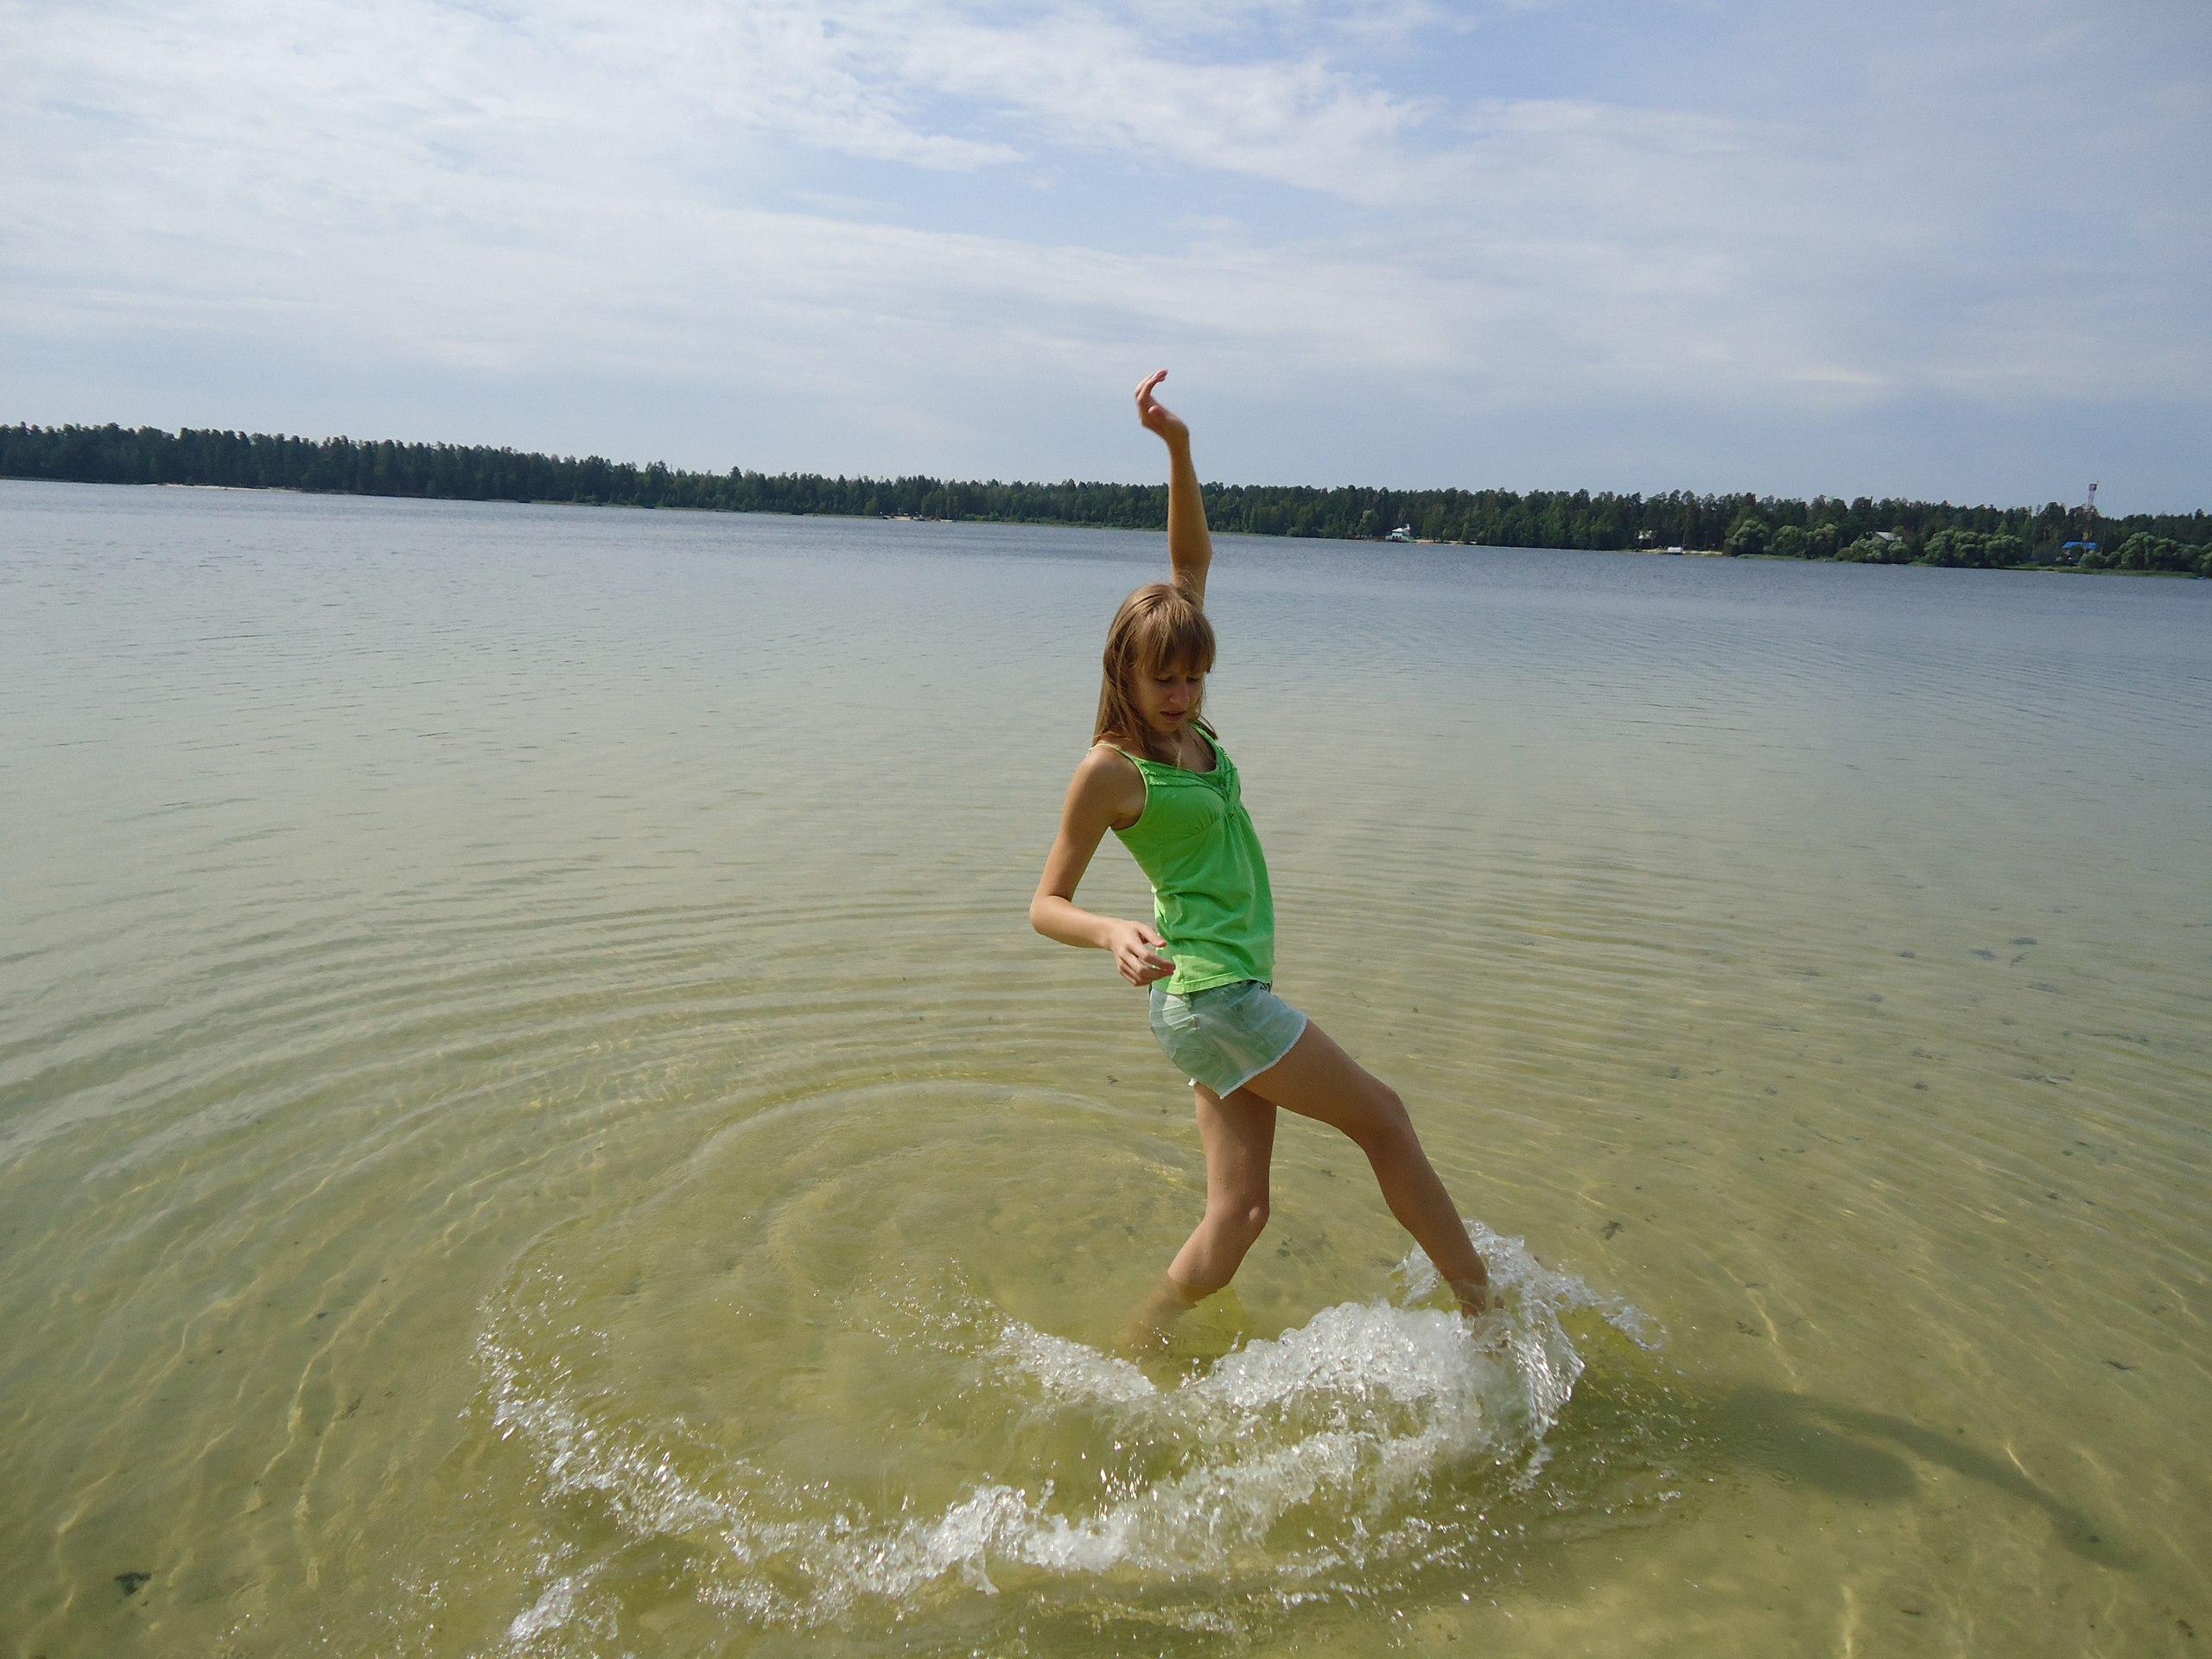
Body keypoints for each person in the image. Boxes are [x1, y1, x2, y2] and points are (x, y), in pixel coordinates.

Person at [1029, 370, 1493, 1344]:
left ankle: (1139, 1337)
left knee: (1240, 1214)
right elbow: (1045, 902)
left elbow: (1190, 559)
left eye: (1195, 676)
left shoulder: (1186, 725)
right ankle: (1486, 1312)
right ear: (1124, 671)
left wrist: (1177, 445)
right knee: (1384, 1118)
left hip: (1215, 996)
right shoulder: (1111, 770)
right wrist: (1110, 931)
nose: (1183, 693)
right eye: (1165, 679)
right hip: (1211, 993)